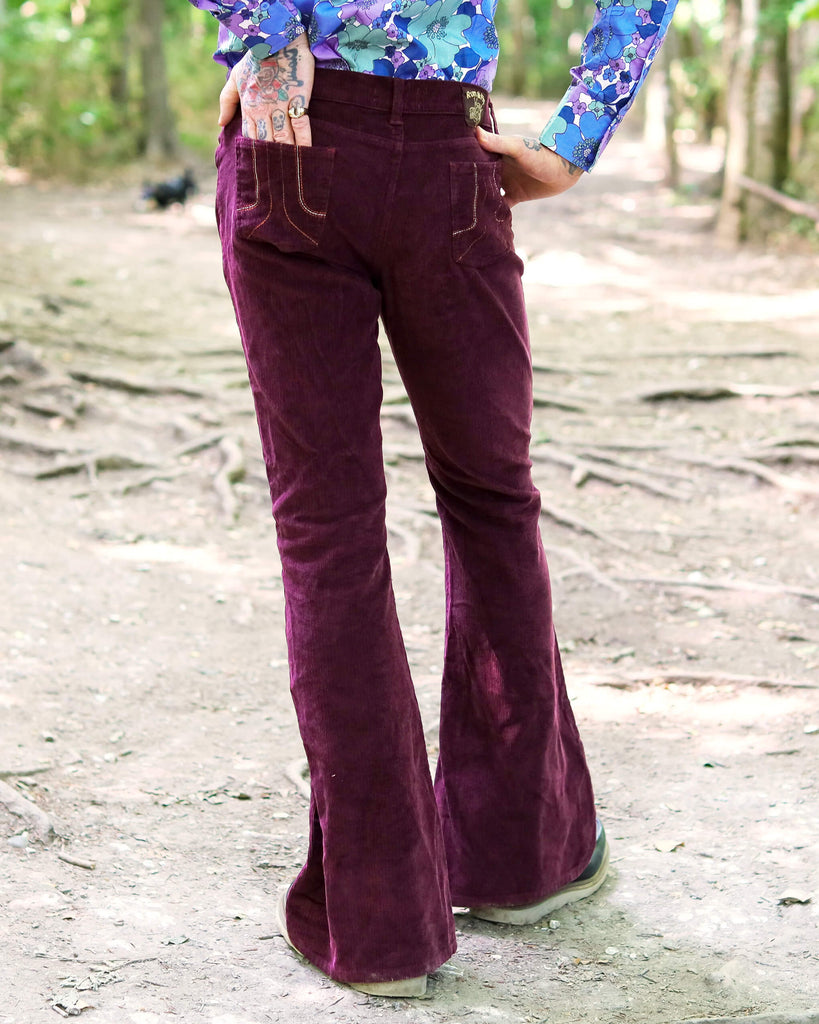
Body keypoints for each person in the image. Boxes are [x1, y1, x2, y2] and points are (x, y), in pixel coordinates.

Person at [188, 0, 676, 998]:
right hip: (446, 155)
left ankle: (381, 930)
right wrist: (576, 135)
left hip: (295, 135)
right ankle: (523, 859)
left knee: (329, 536)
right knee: (492, 497)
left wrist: (269, 31)